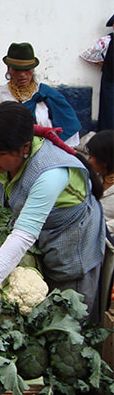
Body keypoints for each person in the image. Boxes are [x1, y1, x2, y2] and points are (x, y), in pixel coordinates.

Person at [0, 101, 105, 320]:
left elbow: (23, 234)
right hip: (38, 233)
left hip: (72, 238)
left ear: (25, 148)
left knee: (71, 313)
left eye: (0, 153)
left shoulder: (50, 171)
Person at [0, 42, 82, 153]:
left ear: (33, 69)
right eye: (17, 70)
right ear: (9, 69)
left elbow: (68, 131)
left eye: (27, 69)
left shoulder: (47, 95)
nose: (22, 75)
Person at [86, 130, 114, 312]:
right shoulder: (95, 179)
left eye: (92, 156)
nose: (89, 160)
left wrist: (99, 226)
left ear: (106, 161)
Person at [80, 14, 114, 132]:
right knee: (110, 111)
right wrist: (105, 65)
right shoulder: (107, 41)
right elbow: (86, 55)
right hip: (111, 82)